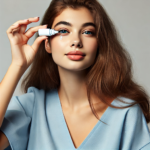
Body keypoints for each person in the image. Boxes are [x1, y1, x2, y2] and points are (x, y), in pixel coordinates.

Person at [0, 0, 150, 149]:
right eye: (64, 31)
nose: (76, 41)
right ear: (47, 44)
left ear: (100, 43)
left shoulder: (125, 113)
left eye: (87, 32)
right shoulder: (31, 107)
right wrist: (18, 65)